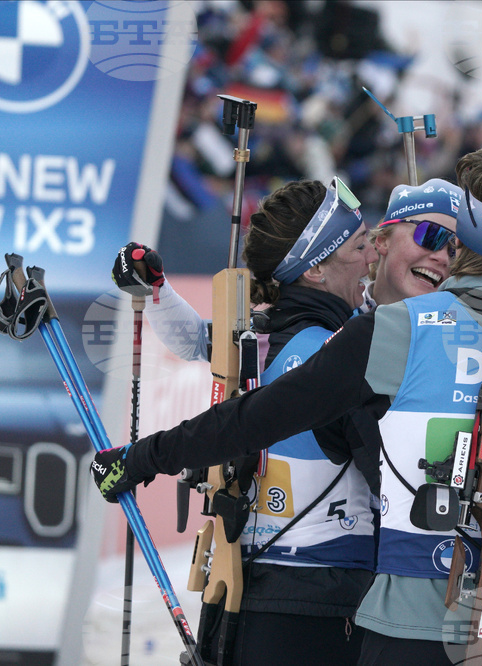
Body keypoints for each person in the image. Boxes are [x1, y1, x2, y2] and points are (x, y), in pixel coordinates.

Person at [93, 142, 482, 665]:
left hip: (411, 627)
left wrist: (143, 458)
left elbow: (256, 419)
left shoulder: (391, 333)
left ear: (466, 225)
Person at [111, 175, 462, 665]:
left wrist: (158, 289)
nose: (370, 259)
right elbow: (393, 481)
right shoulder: (335, 353)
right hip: (322, 604)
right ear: (316, 268)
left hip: (243, 592)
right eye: (361, 246)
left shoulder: (260, 332)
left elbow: (196, 341)